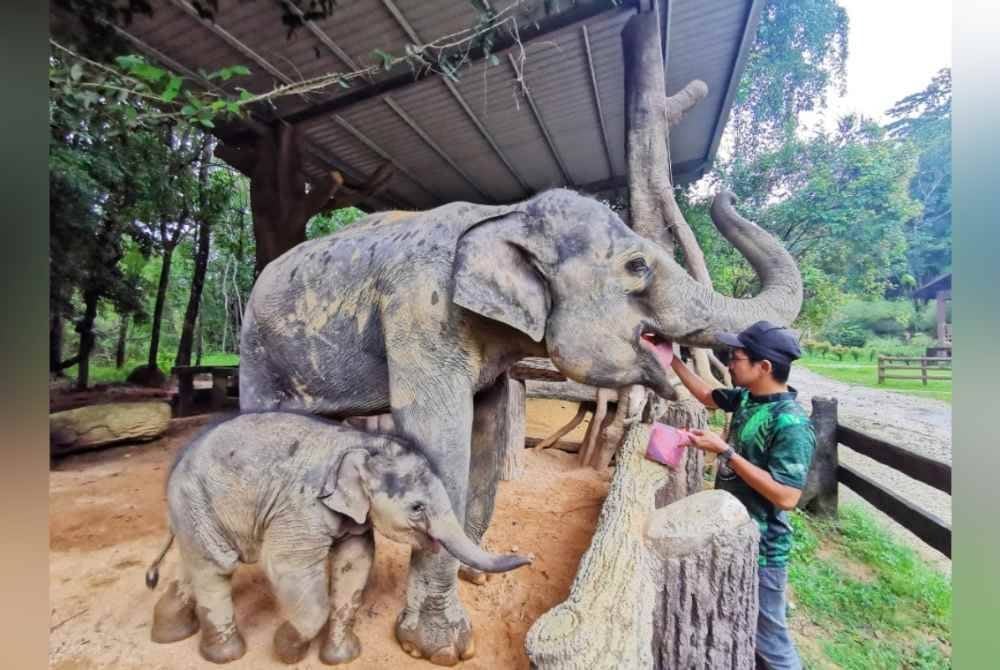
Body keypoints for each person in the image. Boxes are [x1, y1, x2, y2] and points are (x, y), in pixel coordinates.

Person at [669, 320, 815, 670]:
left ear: (764, 367)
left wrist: (726, 452)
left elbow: (786, 497)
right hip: (736, 537)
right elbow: (707, 396)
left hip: (763, 549)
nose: (730, 364)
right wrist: (670, 359)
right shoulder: (750, 398)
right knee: (744, 625)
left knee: (772, 642)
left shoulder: (790, 424)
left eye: (736, 358)